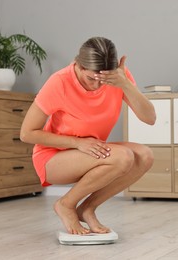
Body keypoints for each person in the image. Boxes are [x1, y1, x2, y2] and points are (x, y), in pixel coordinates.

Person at [20, 36, 156, 235]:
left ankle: (87, 209)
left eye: (103, 80)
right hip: (53, 158)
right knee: (123, 156)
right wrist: (77, 143)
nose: (97, 85)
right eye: (91, 78)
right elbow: (27, 133)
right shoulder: (60, 82)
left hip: (88, 152)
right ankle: (66, 204)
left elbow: (150, 118)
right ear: (79, 66)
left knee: (145, 156)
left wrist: (125, 84)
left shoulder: (117, 78)